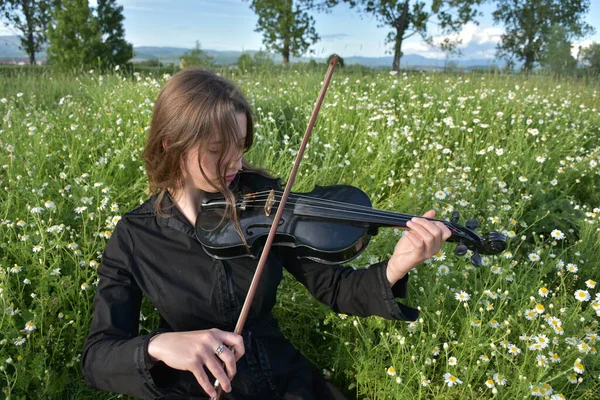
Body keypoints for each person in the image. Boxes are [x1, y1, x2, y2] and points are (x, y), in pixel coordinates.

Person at [81, 68, 452, 400]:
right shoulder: (135, 236)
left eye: (240, 147)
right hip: (196, 386)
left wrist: (397, 266)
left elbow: (335, 288)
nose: (236, 164)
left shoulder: (263, 201)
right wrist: (159, 345)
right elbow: (98, 356)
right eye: (216, 150)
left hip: (278, 375)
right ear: (170, 143)